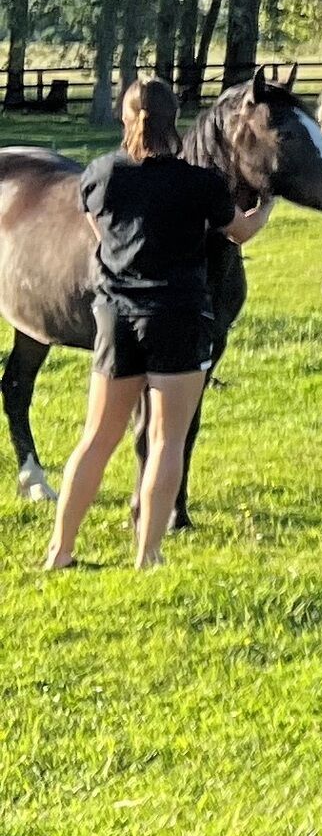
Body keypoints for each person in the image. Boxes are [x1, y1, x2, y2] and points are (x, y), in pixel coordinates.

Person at [48, 76, 267, 572]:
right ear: (176, 122)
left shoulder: (101, 174)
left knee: (95, 439)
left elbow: (99, 231)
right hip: (179, 318)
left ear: (127, 118)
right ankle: (148, 556)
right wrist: (266, 203)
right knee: (167, 441)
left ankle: (60, 552)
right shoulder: (200, 184)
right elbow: (242, 232)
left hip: (116, 319)